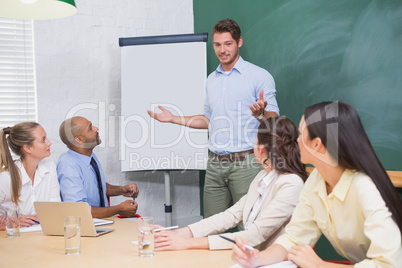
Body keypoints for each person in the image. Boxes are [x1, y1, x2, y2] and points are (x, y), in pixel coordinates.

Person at [232, 101, 402, 268]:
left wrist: (319, 265)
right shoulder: (316, 181)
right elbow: (293, 238)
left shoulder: (365, 188)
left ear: (317, 144)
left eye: (300, 134)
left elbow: (390, 265)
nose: (295, 141)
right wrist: (256, 259)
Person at [148, 19, 280, 219]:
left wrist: (261, 114)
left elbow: (275, 120)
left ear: (239, 42)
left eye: (228, 44)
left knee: (249, 227)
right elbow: (210, 120)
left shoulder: (259, 76)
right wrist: (173, 119)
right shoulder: (211, 80)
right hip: (215, 165)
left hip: (247, 165)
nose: (222, 50)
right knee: (211, 227)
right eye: (217, 44)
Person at [154, 117, 307, 251]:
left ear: (261, 150)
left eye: (255, 140)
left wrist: (188, 243)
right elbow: (230, 215)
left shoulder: (291, 184)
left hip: (273, 261)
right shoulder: (263, 176)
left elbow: (253, 236)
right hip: (249, 256)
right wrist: (175, 234)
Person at [57, 116, 139, 218]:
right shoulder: (68, 165)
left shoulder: (90, 156)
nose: (96, 128)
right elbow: (77, 210)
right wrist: (118, 209)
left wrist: (122, 190)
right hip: (85, 229)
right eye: (90, 128)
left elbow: (97, 186)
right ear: (79, 139)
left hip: (102, 223)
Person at [0, 122, 61, 228]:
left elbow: (55, 207)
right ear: (28, 148)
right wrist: (12, 222)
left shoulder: (49, 165)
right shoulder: (5, 178)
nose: (49, 143)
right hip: (13, 240)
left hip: (42, 236)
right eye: (43, 140)